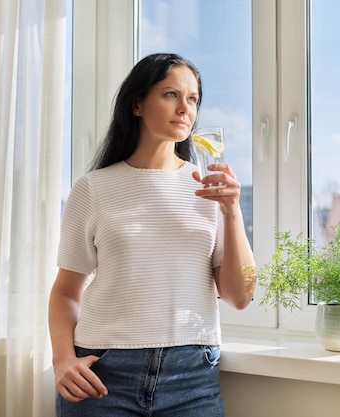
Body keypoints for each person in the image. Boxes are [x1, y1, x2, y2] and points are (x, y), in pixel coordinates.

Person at [48, 53, 256, 417]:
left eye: (192, 99)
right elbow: (66, 290)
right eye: (171, 94)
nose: (185, 108)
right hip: (101, 377)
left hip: (192, 378)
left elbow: (239, 297)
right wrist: (63, 359)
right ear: (137, 104)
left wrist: (232, 211)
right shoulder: (93, 188)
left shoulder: (209, 191)